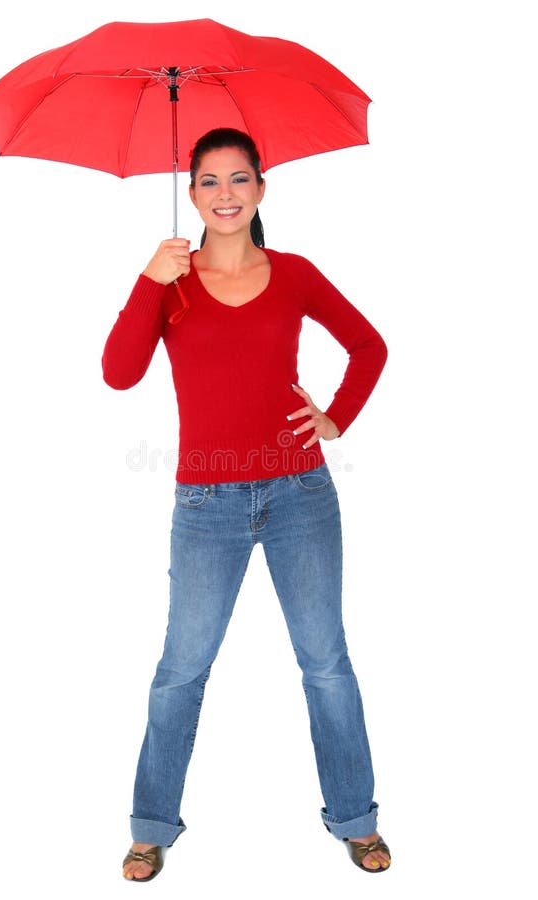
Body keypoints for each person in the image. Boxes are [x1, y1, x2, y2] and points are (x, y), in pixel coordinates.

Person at [101, 128, 391, 881]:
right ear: (191, 193)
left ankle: (355, 821)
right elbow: (118, 374)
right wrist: (147, 280)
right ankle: (150, 825)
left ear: (260, 189)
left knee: (325, 663)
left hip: (301, 495)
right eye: (208, 181)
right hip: (206, 505)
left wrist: (336, 417)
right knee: (180, 670)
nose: (224, 193)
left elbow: (368, 346)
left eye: (238, 179)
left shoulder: (294, 274)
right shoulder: (170, 279)